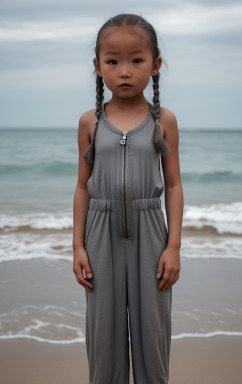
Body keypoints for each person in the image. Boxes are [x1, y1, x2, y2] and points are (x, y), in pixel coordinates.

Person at [72, 13, 183, 384]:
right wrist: (77, 246)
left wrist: (173, 247)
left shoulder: (163, 120)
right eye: (113, 61)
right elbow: (83, 186)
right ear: (98, 66)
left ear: (155, 65)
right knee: (104, 338)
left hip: (151, 233)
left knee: (152, 334)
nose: (124, 71)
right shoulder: (91, 121)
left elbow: (173, 186)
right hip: (100, 235)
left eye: (136, 60)